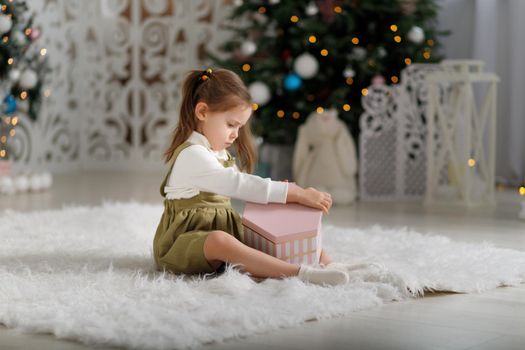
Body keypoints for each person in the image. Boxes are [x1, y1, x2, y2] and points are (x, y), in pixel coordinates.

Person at [153, 68, 349, 286]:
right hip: (183, 245)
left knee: (265, 229)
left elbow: (247, 187)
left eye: (240, 127)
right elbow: (239, 184)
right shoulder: (193, 155)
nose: (236, 134)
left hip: (220, 230)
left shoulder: (218, 153)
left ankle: (329, 265)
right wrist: (294, 193)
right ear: (202, 112)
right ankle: (299, 273)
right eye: (230, 124)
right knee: (220, 240)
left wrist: (281, 197)